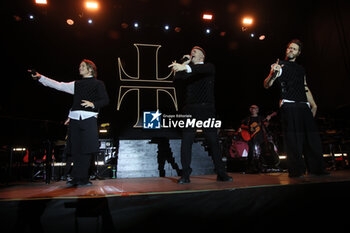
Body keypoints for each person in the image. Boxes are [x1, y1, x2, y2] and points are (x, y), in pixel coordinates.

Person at [30, 59, 109, 186]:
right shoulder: (76, 84)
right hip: (75, 119)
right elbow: (59, 85)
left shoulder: (98, 84)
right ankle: (75, 178)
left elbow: (105, 100)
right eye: (79, 66)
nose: (80, 68)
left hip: (89, 119)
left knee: (87, 150)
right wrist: (40, 77)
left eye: (82, 66)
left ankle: (83, 178)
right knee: (76, 150)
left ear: (90, 69)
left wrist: (93, 104)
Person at [264, 39, 328, 177]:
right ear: (286, 50)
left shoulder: (301, 69)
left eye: (294, 49)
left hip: (304, 106)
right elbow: (267, 85)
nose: (291, 50)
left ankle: (317, 169)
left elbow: (305, 87)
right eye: (289, 48)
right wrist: (272, 73)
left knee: (312, 138)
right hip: (289, 104)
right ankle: (296, 171)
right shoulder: (280, 65)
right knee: (294, 139)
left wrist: (314, 104)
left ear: (298, 53)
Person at [168, 46, 233, 184]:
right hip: (190, 110)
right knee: (186, 141)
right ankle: (185, 174)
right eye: (191, 52)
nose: (192, 53)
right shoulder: (188, 70)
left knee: (213, 141)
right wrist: (184, 64)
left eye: (195, 52)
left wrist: (186, 67)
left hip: (206, 109)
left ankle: (221, 172)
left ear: (202, 56)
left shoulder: (208, 67)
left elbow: (200, 69)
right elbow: (177, 80)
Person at [240, 105, 272, 173]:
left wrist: (267, 121)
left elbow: (266, 125)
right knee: (251, 152)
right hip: (251, 138)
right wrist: (249, 128)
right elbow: (242, 126)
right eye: (251, 108)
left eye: (254, 108)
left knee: (261, 152)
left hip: (260, 137)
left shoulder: (261, 118)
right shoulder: (248, 119)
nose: (252, 109)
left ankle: (261, 167)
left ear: (257, 110)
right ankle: (250, 168)